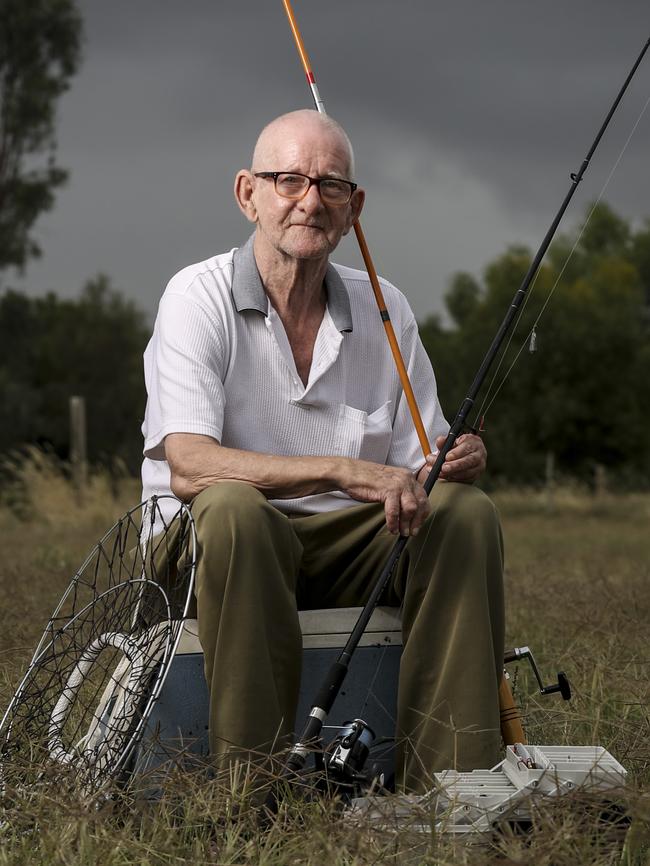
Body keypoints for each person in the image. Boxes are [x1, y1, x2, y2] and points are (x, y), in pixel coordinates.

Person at [141, 109, 504, 792]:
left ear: (354, 207)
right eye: (288, 180)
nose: (309, 200)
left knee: (463, 513)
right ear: (248, 193)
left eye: (330, 185)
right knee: (235, 510)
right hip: (214, 545)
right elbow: (188, 464)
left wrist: (448, 461)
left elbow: (415, 465)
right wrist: (343, 469)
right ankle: (254, 793)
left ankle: (453, 788)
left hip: (348, 545)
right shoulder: (196, 295)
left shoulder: (385, 306)